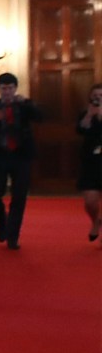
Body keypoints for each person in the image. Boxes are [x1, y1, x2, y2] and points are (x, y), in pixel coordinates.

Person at [0, 72, 41, 249]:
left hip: (21, 157)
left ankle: (13, 237)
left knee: (19, 197)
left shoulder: (24, 105)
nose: (7, 92)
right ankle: (2, 219)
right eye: (4, 88)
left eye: (10, 88)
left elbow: (40, 117)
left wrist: (27, 103)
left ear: (15, 88)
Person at [77, 83, 102, 241]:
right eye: (95, 96)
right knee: (90, 202)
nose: (98, 99)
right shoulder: (85, 114)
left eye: (101, 96)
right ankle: (96, 221)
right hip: (91, 162)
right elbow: (81, 129)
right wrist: (89, 115)